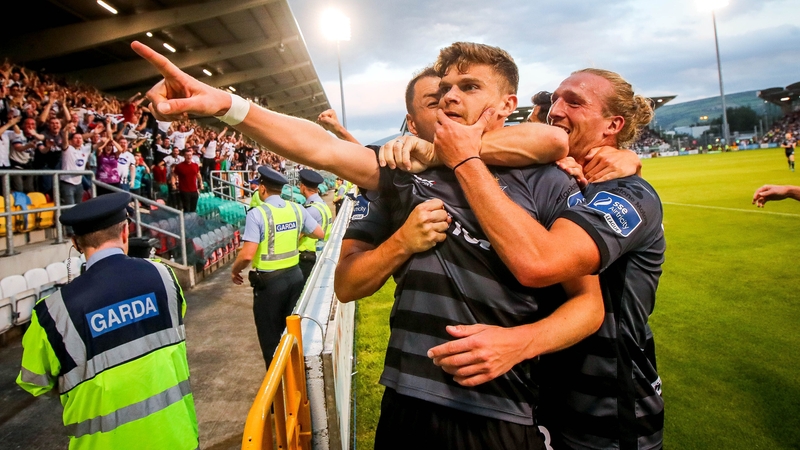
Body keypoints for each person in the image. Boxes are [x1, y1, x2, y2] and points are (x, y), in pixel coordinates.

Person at [427, 68, 665, 450]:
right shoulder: (553, 180)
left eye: (574, 102)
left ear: (613, 125)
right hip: (536, 400)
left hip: (606, 409)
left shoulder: (629, 194)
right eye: (554, 99)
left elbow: (542, 262)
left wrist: (464, 157)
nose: (555, 110)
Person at [17, 192, 198, 449]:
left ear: (76, 243)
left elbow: (34, 380)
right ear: (125, 232)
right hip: (177, 438)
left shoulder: (53, 311)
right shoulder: (165, 276)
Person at [230, 166, 324, 366]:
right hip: (295, 277)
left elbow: (247, 255)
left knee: (271, 340)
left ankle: (279, 392)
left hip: (270, 285)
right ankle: (296, 383)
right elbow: (319, 233)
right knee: (293, 335)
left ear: (262, 189)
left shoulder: (257, 214)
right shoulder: (297, 208)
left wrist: (235, 270)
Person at [296, 169, 333, 282]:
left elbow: (298, 235)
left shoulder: (310, 210)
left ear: (302, 186)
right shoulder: (322, 205)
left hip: (308, 256)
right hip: (320, 251)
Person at [171, 147, 202, 213]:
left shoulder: (195, 165)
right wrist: (173, 184)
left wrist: (200, 183)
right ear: (184, 156)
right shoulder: (179, 166)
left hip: (194, 190)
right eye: (187, 155)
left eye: (190, 155)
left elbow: (198, 174)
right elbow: (174, 175)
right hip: (184, 190)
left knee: (193, 209)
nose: (189, 157)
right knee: (187, 209)